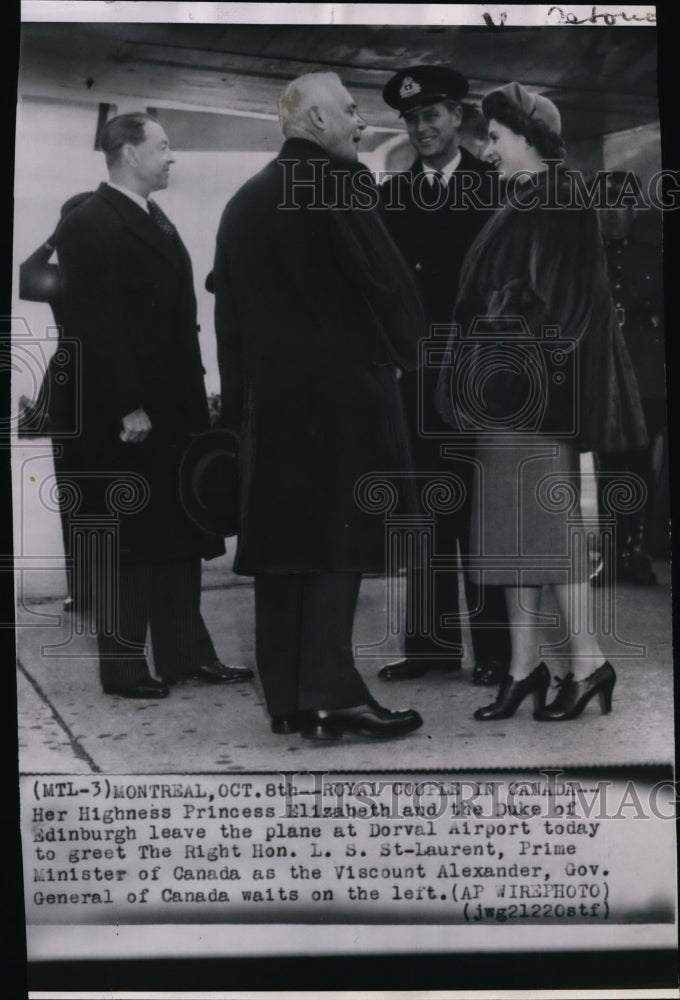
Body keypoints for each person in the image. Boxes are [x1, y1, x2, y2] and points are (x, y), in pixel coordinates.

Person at [212, 71, 425, 740]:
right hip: (342, 404)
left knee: (285, 554)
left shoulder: (245, 199)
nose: (362, 124)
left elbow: (229, 322)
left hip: (273, 410)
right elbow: (385, 280)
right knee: (338, 551)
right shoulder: (341, 181)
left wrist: (239, 410)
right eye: (351, 111)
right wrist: (412, 351)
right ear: (313, 123)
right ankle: (334, 696)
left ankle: (290, 700)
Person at [435, 83, 647, 721]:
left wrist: (491, 341)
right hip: (506, 395)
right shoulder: (525, 199)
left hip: (529, 396)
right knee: (509, 538)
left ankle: (586, 665)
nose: (487, 149)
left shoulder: (557, 198)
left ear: (531, 139)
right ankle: (525, 670)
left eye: (496, 138)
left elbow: (566, 309)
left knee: (546, 538)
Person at [55, 113, 253, 698]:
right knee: (133, 543)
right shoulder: (88, 224)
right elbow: (92, 326)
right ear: (126, 153)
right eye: (162, 147)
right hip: (132, 417)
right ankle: (122, 668)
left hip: (172, 409)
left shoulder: (150, 217)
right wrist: (128, 405)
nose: (171, 158)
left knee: (177, 534)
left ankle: (185, 656)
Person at [377, 65, 511, 687]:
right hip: (417, 376)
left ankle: (493, 654)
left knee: (482, 512)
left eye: (431, 115)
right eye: (410, 119)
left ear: (458, 117)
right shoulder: (391, 198)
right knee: (425, 511)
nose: (421, 128)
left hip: (482, 375)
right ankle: (430, 646)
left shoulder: (497, 188)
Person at [19, 192, 93, 613]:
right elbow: (27, 274)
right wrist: (54, 237)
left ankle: (100, 584)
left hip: (84, 382)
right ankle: (82, 588)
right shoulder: (64, 276)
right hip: (71, 385)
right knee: (75, 491)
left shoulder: (86, 274)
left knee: (93, 489)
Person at [593, 176, 667, 585]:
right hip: (603, 379)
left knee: (639, 467)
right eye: (603, 204)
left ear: (633, 209)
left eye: (619, 204)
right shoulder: (583, 259)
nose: (611, 212)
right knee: (608, 467)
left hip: (646, 380)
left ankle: (633, 551)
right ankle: (610, 553)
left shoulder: (652, 257)